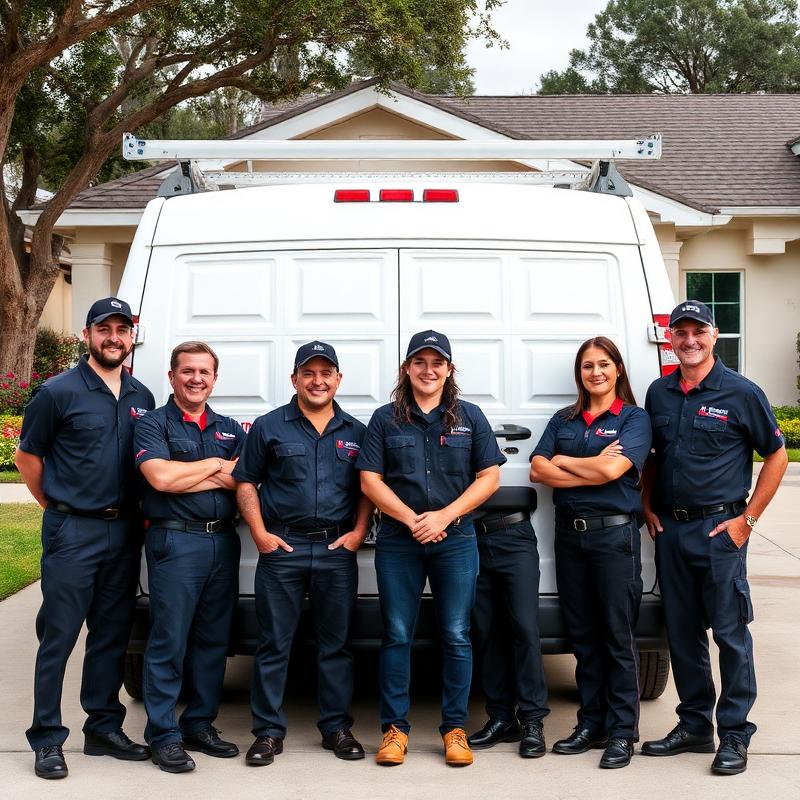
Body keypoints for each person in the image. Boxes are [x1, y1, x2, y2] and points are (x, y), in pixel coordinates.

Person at [641, 300, 787, 775]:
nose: (689, 340)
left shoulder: (742, 392)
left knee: (729, 635)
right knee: (682, 635)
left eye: (697, 331)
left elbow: (777, 456)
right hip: (672, 530)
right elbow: (653, 457)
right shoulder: (659, 393)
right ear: (670, 337)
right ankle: (695, 725)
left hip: (721, 531)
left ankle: (735, 733)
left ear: (714, 334)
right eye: (679, 332)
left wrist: (748, 520)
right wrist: (646, 503)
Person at [15, 297, 155, 780]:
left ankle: (102, 728)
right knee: (59, 635)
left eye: (123, 328)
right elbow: (28, 459)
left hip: (125, 529)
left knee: (112, 635)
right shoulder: (58, 392)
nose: (114, 336)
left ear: (132, 335)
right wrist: (56, 507)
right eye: (105, 329)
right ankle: (47, 738)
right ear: (86, 335)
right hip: (73, 529)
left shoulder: (142, 396)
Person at [357, 330, 505, 768]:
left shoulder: (470, 417)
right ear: (407, 368)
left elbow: (489, 477)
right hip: (399, 542)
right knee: (397, 634)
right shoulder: (385, 420)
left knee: (456, 634)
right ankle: (395, 730)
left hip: (455, 540)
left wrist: (444, 517)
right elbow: (369, 480)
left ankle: (454, 730)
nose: (428, 369)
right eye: (419, 362)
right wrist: (412, 519)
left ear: (449, 369)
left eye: (436, 362)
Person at [233, 341, 372, 766]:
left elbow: (367, 486)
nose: (317, 381)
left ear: (338, 379)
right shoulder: (269, 426)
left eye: (325, 373)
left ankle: (336, 728)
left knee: (336, 645)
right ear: (294, 379)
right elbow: (245, 481)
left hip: (335, 550)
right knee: (274, 643)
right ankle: (268, 733)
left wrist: (358, 533)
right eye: (308, 373)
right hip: (283, 549)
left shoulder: (356, 432)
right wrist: (258, 533)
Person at [530, 336, 652, 769]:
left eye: (604, 364)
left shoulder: (634, 419)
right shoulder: (564, 418)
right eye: (587, 366)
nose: (595, 372)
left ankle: (622, 733)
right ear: (579, 373)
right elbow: (536, 467)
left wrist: (565, 463)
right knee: (582, 636)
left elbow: (614, 469)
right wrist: (586, 468)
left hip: (614, 540)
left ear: (618, 369)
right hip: (570, 538)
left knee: (616, 636)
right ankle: (591, 722)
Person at [133, 342, 245, 773]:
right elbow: (159, 479)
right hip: (175, 543)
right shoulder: (153, 424)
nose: (196, 379)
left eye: (204, 372)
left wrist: (191, 475)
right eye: (187, 371)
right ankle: (163, 734)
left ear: (214, 378)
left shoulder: (231, 427)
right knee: (169, 641)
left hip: (222, 543)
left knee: (213, 641)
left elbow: (244, 481)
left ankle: (199, 723)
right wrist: (216, 466)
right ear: (172, 376)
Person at [467, 495, 549, 757]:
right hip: (470, 538)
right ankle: (501, 719)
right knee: (486, 631)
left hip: (514, 534)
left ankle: (532, 721)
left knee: (525, 629)